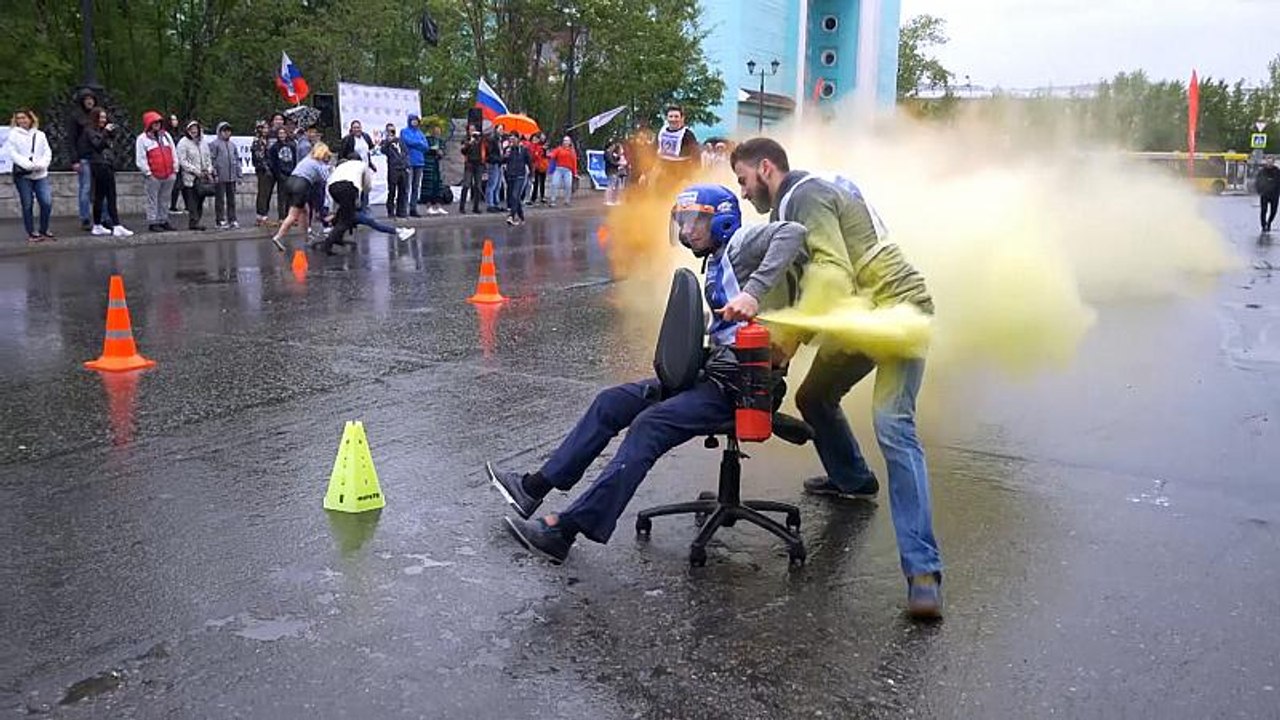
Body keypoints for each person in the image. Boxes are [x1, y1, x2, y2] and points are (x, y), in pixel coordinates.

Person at [487, 184, 809, 563]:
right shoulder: (717, 259)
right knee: (612, 403)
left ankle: (565, 529)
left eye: (695, 221)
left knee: (649, 425)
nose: (687, 231)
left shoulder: (741, 243)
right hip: (713, 374)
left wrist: (754, 293)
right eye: (683, 222)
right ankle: (533, 487)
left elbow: (794, 233)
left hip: (743, 388)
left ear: (721, 220)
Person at [728, 137, 943, 619]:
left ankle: (924, 574)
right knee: (816, 396)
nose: (742, 192)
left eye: (742, 180)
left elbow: (831, 275)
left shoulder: (804, 195)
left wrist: (788, 340)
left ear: (765, 168)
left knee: (894, 427)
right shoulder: (790, 207)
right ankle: (852, 478)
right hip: (859, 318)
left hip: (898, 312)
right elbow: (811, 284)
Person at [318, 152, 415, 255]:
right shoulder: (362, 165)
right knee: (345, 221)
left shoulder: (342, 166)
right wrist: (363, 193)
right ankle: (328, 244)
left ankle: (336, 236)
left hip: (333, 188)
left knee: (345, 215)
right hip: (348, 188)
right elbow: (368, 186)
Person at [80, 108, 133, 238]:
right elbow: (98, 145)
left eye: (104, 117)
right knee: (109, 195)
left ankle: (97, 225)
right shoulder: (90, 131)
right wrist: (105, 133)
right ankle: (116, 225)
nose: (103, 120)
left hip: (105, 164)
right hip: (99, 165)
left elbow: (109, 145)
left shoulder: (99, 131)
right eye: (101, 117)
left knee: (100, 196)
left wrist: (110, 133)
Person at [270, 142, 332, 252]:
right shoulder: (318, 164)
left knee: (305, 210)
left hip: (290, 182)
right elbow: (326, 178)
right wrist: (330, 169)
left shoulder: (307, 159)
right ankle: (278, 237)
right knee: (293, 215)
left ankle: (307, 234)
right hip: (301, 185)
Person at [6, 108, 55, 242]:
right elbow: (13, 154)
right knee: (27, 204)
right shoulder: (13, 135)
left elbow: (47, 152)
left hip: (40, 174)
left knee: (46, 202)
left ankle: (44, 229)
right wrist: (28, 165)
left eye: (24, 118)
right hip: (23, 175)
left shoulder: (40, 135)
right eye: (18, 118)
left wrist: (42, 164)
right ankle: (31, 232)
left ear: (30, 119)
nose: (21, 121)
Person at [134, 110, 178, 233]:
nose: (157, 125)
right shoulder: (142, 139)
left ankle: (163, 219)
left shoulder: (166, 136)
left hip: (168, 173)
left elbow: (173, 152)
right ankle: (153, 221)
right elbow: (141, 158)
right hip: (154, 174)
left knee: (165, 198)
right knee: (152, 199)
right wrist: (148, 172)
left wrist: (175, 169)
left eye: (159, 122)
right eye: (154, 122)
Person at [67, 87, 97, 232]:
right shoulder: (76, 116)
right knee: (85, 188)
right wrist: (74, 160)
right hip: (84, 156)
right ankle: (85, 218)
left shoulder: (96, 114)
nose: (89, 101)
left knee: (100, 188)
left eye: (91, 99)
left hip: (97, 156)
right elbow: (71, 139)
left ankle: (103, 217)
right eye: (86, 99)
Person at [209, 121, 242, 229]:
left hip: (231, 177)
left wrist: (239, 175)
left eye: (229, 131)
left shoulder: (232, 145)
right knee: (220, 200)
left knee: (231, 200)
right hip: (220, 177)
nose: (227, 133)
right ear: (219, 132)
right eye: (224, 131)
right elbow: (212, 160)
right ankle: (220, 220)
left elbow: (237, 160)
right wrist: (215, 173)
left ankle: (232, 219)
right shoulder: (214, 144)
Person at [401, 114, 428, 217]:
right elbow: (407, 141)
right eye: (413, 120)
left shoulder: (420, 133)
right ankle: (403, 209)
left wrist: (418, 144)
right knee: (406, 186)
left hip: (420, 162)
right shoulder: (404, 131)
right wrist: (419, 143)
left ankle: (413, 208)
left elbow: (426, 146)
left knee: (416, 187)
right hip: (409, 162)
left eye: (416, 120)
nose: (415, 122)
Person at [381, 123, 409, 218]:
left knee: (403, 190)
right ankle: (390, 211)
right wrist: (389, 141)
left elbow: (405, 152)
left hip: (403, 168)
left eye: (393, 130)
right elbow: (383, 150)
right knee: (392, 190)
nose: (391, 132)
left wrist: (406, 164)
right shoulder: (385, 142)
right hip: (393, 169)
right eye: (389, 130)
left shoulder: (400, 141)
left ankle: (401, 211)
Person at [503, 132, 532, 226]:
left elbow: (529, 162)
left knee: (515, 195)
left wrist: (532, 174)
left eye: (514, 139)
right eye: (510, 140)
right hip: (510, 175)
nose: (512, 142)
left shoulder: (523, 150)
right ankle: (521, 216)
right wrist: (505, 156)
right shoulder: (508, 150)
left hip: (520, 175)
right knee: (514, 197)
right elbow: (502, 161)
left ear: (518, 139)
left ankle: (511, 216)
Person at [250, 120, 274, 226]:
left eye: (267, 128)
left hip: (270, 169)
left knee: (268, 193)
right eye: (263, 128)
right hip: (262, 170)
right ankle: (260, 216)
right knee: (263, 193)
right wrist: (266, 167)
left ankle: (265, 215)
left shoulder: (268, 140)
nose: (265, 130)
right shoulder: (257, 141)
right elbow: (259, 157)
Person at [422, 123, 449, 215]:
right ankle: (429, 206)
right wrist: (432, 150)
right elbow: (425, 150)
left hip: (438, 165)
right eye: (435, 131)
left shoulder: (441, 141)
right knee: (428, 186)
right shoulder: (427, 140)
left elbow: (445, 151)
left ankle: (438, 206)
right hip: (429, 165)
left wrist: (441, 152)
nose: (437, 133)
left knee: (438, 186)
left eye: (439, 131)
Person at [459, 125, 485, 214]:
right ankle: (462, 207)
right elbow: (463, 151)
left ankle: (476, 207)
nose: (472, 131)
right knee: (466, 185)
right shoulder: (466, 140)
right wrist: (470, 143)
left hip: (478, 164)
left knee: (478, 186)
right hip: (469, 164)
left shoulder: (480, 139)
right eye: (471, 130)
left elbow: (484, 149)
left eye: (474, 129)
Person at [546, 136, 577, 207]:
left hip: (568, 170)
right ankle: (552, 200)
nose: (566, 142)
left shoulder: (572, 151)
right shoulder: (559, 149)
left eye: (567, 141)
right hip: (558, 169)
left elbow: (574, 162)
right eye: (564, 140)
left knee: (568, 185)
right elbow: (552, 155)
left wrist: (575, 172)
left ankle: (567, 201)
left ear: (570, 142)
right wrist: (548, 154)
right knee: (554, 184)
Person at [484, 123, 506, 212]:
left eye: (502, 129)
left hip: (499, 163)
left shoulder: (500, 140)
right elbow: (490, 153)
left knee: (498, 184)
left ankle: (496, 202)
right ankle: (490, 204)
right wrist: (499, 158)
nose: (501, 131)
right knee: (492, 184)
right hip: (494, 163)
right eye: (500, 129)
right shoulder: (492, 139)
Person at [167, 114, 186, 214]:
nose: (175, 122)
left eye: (176, 119)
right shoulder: (167, 134)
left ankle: (187, 206)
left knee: (183, 185)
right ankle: (172, 206)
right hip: (173, 161)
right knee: (176, 185)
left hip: (181, 160)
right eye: (173, 119)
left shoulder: (180, 133)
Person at [1257, 158, 1280, 232]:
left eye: (1271, 162)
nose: (1269, 164)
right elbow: (1258, 181)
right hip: (1265, 194)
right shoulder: (1262, 171)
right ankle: (1263, 225)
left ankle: (1269, 222)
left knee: (1274, 211)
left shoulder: (1277, 171)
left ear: (1273, 163)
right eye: (1268, 162)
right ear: (1266, 162)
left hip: (1274, 194)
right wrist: (1259, 190)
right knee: (1264, 210)